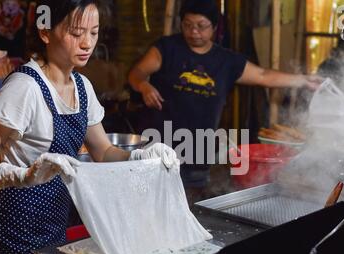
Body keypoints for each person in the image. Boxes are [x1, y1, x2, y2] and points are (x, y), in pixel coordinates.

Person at [0, 0, 177, 254]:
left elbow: (103, 151)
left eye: (93, 32)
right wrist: (21, 176)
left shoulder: (82, 87)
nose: (87, 42)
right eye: (76, 32)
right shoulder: (24, 88)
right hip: (15, 233)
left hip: (55, 228)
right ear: (46, 32)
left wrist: (141, 154)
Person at [128, 0, 322, 190]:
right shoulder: (166, 48)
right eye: (187, 25)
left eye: (201, 26)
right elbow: (136, 73)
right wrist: (144, 85)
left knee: (189, 206)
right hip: (157, 150)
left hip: (197, 157)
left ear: (214, 27)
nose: (194, 31)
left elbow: (263, 75)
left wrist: (303, 80)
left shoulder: (226, 61)